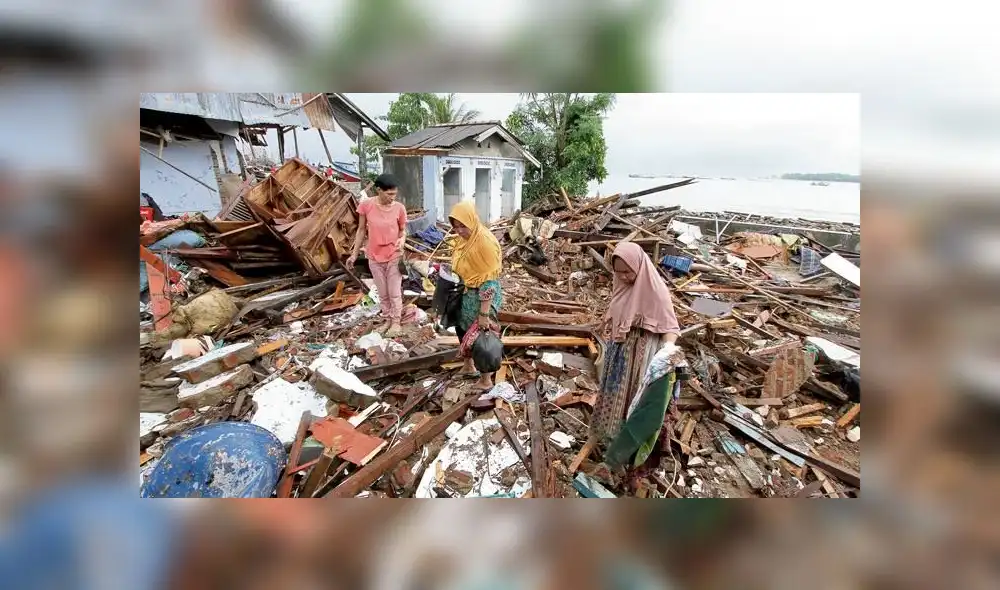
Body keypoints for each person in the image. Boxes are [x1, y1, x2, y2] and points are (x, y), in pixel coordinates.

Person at [572, 241, 683, 486]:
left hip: (640, 356)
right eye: (618, 271)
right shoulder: (621, 284)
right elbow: (618, 310)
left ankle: (626, 455)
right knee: (614, 396)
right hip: (620, 354)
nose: (623, 276)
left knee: (633, 401)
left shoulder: (655, 291)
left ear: (639, 267)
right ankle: (611, 440)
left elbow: (670, 326)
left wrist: (667, 350)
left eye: (627, 271)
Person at [447, 201, 503, 391]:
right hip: (466, 292)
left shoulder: (484, 243)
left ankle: (486, 380)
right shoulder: (465, 240)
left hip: (482, 297)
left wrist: (484, 313)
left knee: (481, 336)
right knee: (463, 329)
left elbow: (489, 281)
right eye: (455, 227)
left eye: (463, 225)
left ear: (472, 220)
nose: (459, 230)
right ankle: (468, 366)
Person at [346, 173, 407, 337]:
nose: (392, 198)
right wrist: (353, 254)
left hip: (394, 255)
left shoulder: (399, 208)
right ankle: (387, 319)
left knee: (394, 292)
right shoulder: (366, 205)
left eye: (395, 194)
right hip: (374, 256)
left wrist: (402, 240)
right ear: (378, 190)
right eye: (389, 194)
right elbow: (360, 230)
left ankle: (396, 323)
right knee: (383, 292)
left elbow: (402, 231)